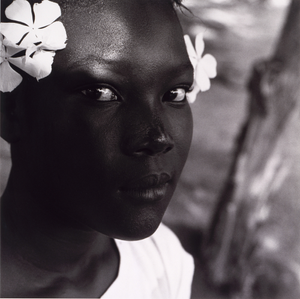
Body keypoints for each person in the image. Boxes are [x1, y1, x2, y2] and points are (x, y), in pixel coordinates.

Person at [0, 0, 197, 297]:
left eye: (175, 92)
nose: (158, 138)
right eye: (101, 93)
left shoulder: (163, 262)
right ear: (9, 111)